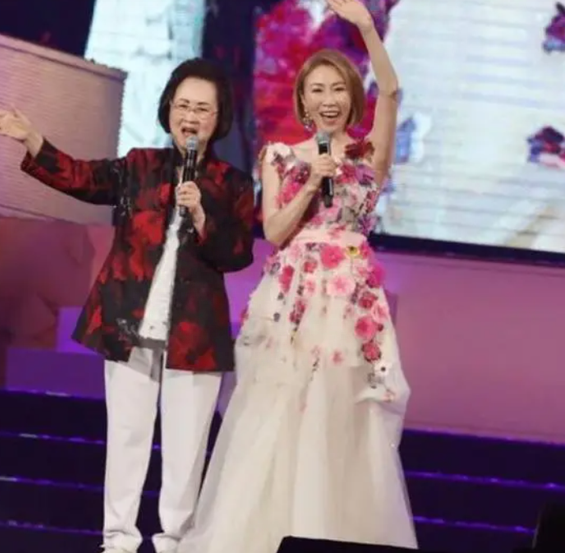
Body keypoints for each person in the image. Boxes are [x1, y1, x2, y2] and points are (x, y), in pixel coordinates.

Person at [0, 58, 255, 553]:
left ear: (219, 119)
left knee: (186, 447)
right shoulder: (139, 165)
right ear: (168, 109)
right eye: (183, 105)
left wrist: (200, 212)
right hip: (131, 322)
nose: (190, 117)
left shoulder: (232, 184)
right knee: (127, 436)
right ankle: (119, 540)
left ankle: (174, 542)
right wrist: (34, 141)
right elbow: (82, 178)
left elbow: (236, 253)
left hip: (194, 334)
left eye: (202, 109)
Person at [178, 1, 417, 552]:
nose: (328, 99)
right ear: (302, 101)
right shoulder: (280, 156)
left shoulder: (370, 156)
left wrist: (365, 25)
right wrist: (311, 181)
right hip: (292, 299)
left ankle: (331, 533)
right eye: (317, 90)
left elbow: (393, 91)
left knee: (340, 413)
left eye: (337, 89)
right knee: (276, 410)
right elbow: (276, 230)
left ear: (351, 96)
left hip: (348, 302)